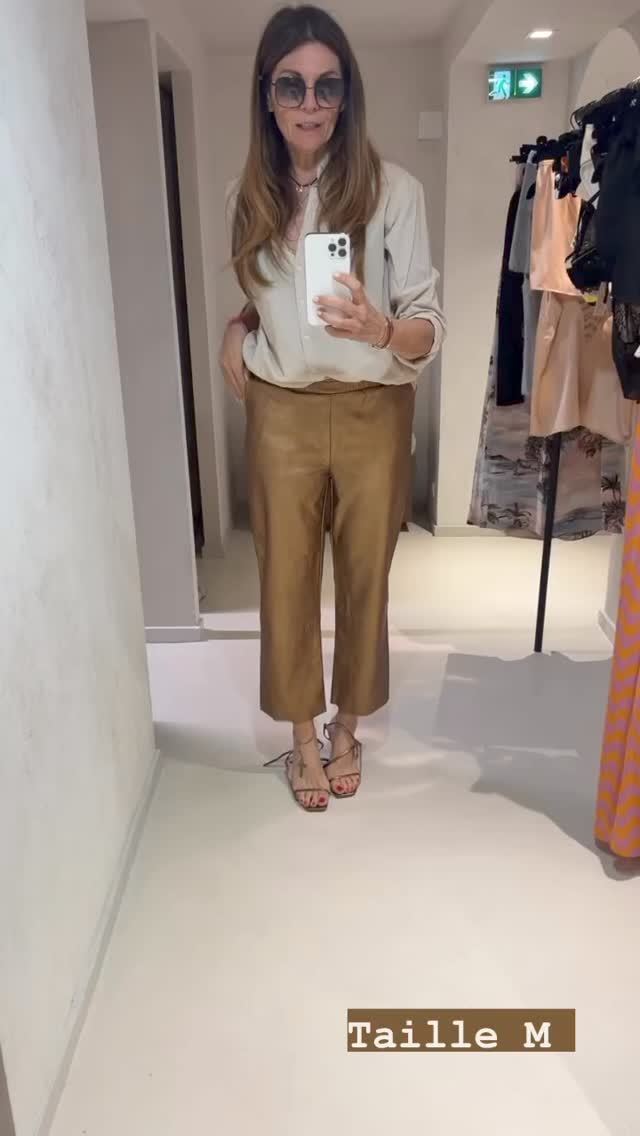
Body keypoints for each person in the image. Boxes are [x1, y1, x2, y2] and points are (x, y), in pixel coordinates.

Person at [220, 4, 446, 812]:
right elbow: (268, 301)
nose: (310, 103)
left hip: (372, 409)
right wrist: (238, 325)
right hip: (280, 410)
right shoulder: (247, 196)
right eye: (292, 85)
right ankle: (302, 738)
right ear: (268, 94)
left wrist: (380, 327)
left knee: (363, 575)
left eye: (327, 85)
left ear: (347, 95)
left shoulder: (394, 192)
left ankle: (347, 726)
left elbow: (427, 326)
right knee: (284, 577)